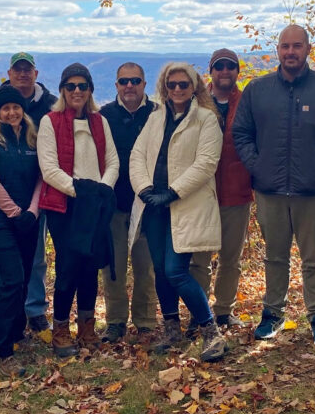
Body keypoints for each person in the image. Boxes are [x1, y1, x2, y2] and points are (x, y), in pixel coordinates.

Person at [232, 24, 315, 349]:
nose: (291, 52)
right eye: (285, 46)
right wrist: (258, 166)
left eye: (297, 46)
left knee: (314, 257)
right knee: (274, 256)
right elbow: (241, 133)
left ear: (308, 49)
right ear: (278, 50)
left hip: (313, 190)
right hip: (269, 190)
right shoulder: (258, 89)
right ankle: (272, 313)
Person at [129, 63, 227, 362]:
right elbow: (137, 155)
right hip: (153, 206)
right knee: (159, 269)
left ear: (194, 87)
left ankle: (212, 333)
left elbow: (206, 163)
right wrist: (145, 189)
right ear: (164, 88)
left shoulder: (207, 120)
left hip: (185, 204)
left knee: (175, 270)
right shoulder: (156, 118)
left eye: (183, 84)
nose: (177, 90)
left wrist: (172, 192)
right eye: (172, 85)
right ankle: (171, 330)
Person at [0, 52, 56, 337]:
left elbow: (44, 167)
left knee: (36, 258)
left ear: (35, 72)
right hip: (2, 209)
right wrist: (13, 211)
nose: (22, 74)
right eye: (17, 70)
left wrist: (32, 210)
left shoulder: (50, 105)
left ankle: (34, 310)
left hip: (36, 203)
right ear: (10, 72)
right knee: (4, 262)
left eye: (27, 70)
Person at [37, 64, 119, 357]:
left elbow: (112, 162)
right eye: (70, 86)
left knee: (90, 266)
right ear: (62, 90)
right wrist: (82, 192)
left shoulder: (99, 122)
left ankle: (86, 325)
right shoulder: (51, 121)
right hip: (65, 206)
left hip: (95, 204)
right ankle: (60, 328)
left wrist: (101, 190)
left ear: (90, 91)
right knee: (68, 267)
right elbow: (49, 168)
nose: (76, 91)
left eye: (82, 86)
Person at [0, 85, 42, 377]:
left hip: (28, 218)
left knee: (25, 277)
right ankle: (2, 350)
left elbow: (42, 177)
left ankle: (17, 333)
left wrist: (32, 211)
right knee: (12, 278)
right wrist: (15, 212)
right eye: (5, 108)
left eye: (16, 107)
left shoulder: (32, 137)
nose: (12, 112)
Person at [190, 48, 252, 329]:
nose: (225, 71)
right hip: (200, 192)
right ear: (211, 71)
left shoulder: (248, 101)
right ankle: (200, 313)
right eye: (219, 66)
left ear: (237, 71)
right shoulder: (196, 103)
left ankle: (224, 310)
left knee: (230, 258)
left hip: (236, 191)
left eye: (230, 66)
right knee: (198, 258)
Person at [98, 63, 158, 344]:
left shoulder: (157, 113)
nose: (129, 86)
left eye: (135, 80)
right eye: (124, 81)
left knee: (146, 267)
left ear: (144, 84)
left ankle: (145, 321)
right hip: (115, 205)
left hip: (148, 205)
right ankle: (115, 321)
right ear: (117, 85)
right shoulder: (105, 116)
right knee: (114, 268)